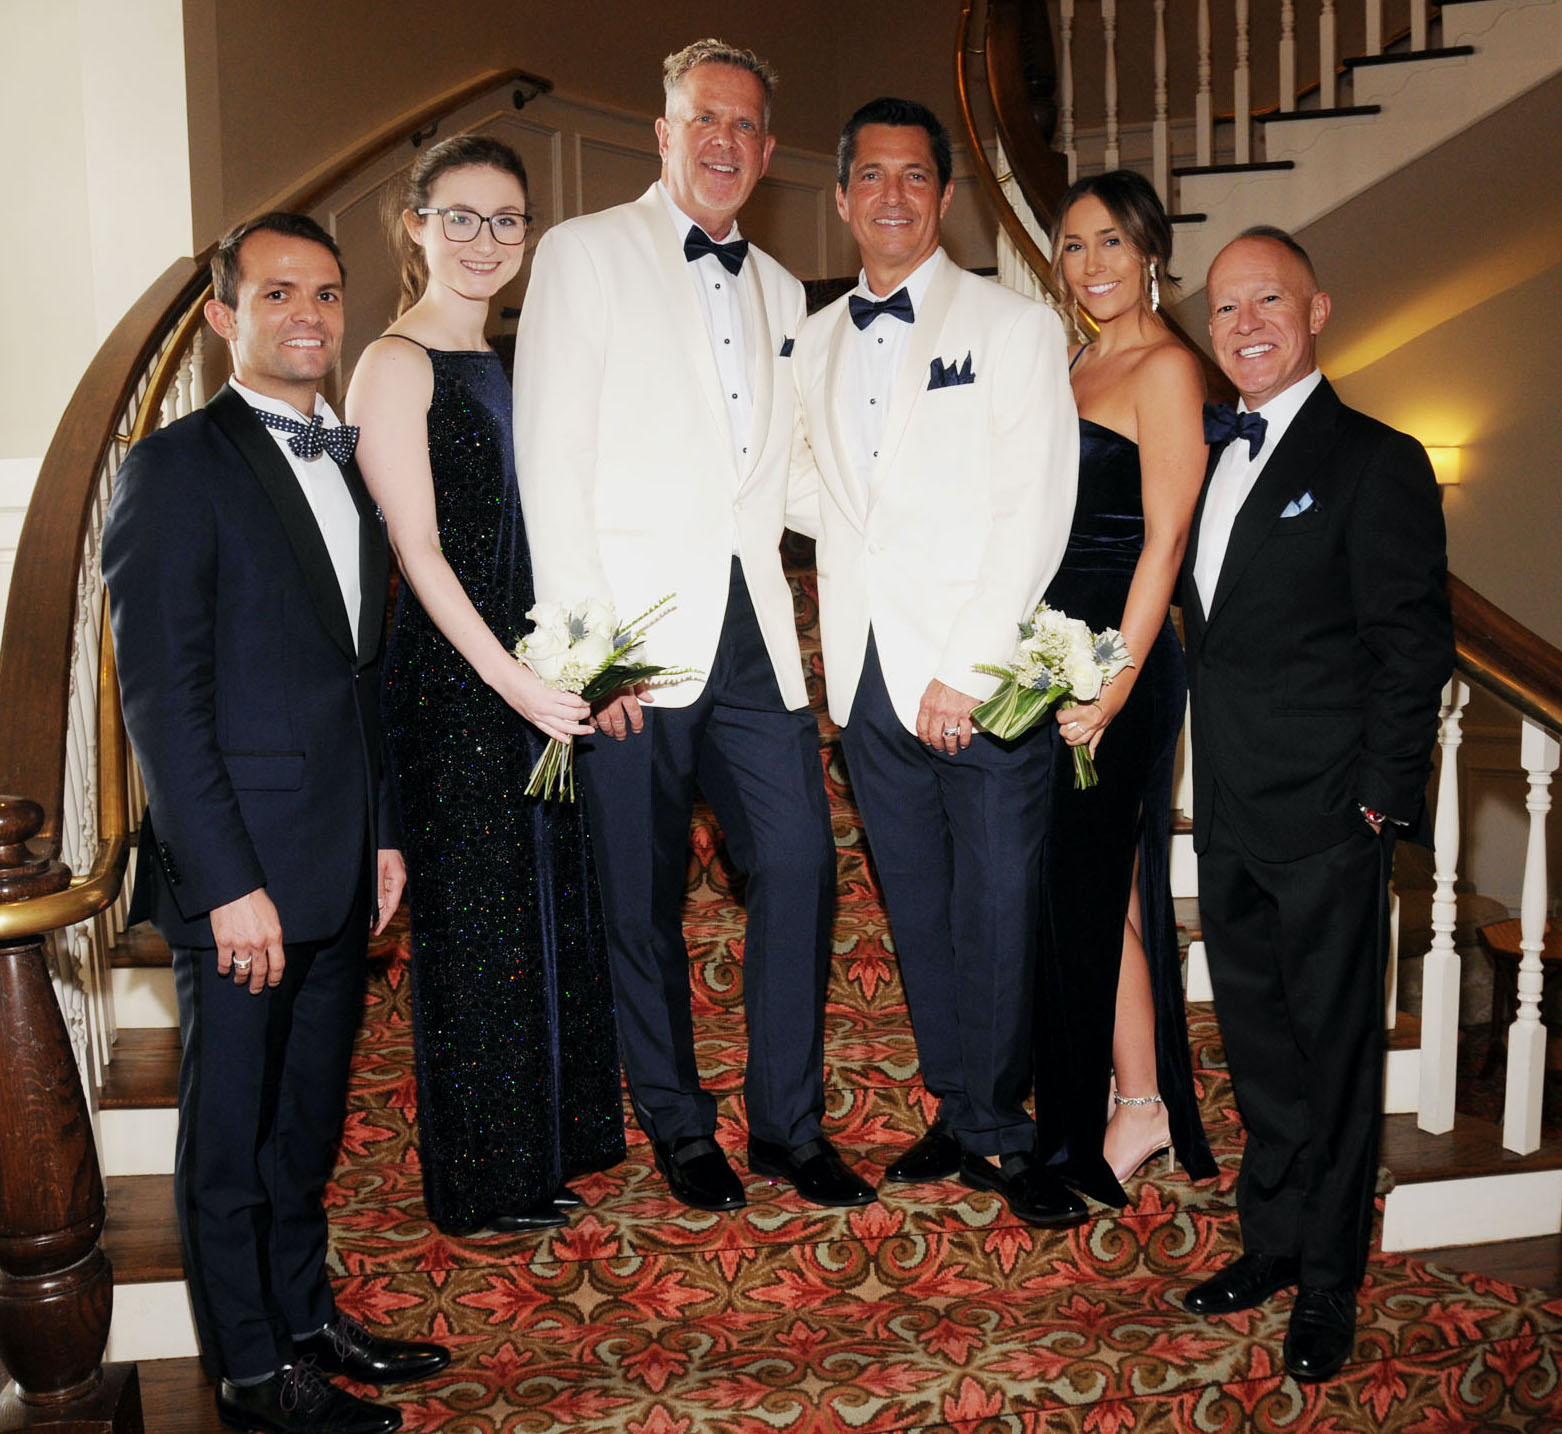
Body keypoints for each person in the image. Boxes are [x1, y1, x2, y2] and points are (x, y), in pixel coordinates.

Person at [103, 213, 449, 1434]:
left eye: (326, 293)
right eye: (278, 293)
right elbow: (162, 700)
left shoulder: (345, 458)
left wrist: (386, 831)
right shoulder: (174, 469)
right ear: (223, 317)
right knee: (230, 1143)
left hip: (338, 859)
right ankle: (251, 1374)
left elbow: (361, 677)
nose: (308, 313)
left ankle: (305, 1321)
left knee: (304, 1128)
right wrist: (227, 881)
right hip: (243, 878)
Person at [513, 40, 868, 1212]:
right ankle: (676, 1124)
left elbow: (782, 480)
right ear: (663, 134)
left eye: (746, 125)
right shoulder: (581, 254)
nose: (723, 139)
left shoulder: (778, 288)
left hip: (757, 626)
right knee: (639, 894)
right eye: (702, 118)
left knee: (802, 864)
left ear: (767, 155)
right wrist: (584, 652)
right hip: (632, 639)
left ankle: (787, 1126)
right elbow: (550, 458)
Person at [789, 98, 1082, 1226]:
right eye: (870, 176)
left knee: (997, 907)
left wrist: (967, 663)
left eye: (915, 176)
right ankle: (956, 1112)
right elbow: (816, 495)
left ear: (945, 196)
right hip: (865, 676)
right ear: (842, 196)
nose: (892, 197)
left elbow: (1035, 507)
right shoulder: (813, 340)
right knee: (916, 913)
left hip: (979, 676)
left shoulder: (1011, 327)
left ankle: (1003, 1131)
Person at [1180, 227, 1452, 1381]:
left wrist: (1379, 811)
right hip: (1231, 816)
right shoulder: (1198, 452)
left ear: (1316, 309)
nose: (1244, 325)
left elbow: (1409, 648)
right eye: (1225, 308)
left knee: (1335, 1066)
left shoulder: (1374, 460)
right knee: (1258, 1056)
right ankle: (1273, 1248)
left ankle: (1327, 1289)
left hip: (1329, 824)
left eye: (1267, 302)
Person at [346, 135, 625, 1238]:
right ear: (413, 224)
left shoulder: (505, 361)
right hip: (457, 684)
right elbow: (416, 551)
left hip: (529, 671)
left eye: (506, 220)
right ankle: (476, 1186)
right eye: (459, 217)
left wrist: (582, 667)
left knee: (535, 910)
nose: (484, 242)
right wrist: (511, 683)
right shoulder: (393, 362)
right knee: (474, 932)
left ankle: (536, 1151)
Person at [1031, 171, 1218, 1206]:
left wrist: (1110, 684)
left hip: (1121, 664)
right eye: (1070, 245)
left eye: (1108, 242)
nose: (1089, 264)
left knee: (1089, 888)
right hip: (1056, 659)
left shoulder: (1164, 369)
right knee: (1095, 893)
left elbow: (1163, 545)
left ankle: (1133, 1106)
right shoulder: (1068, 363)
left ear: (1148, 250)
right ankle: (1136, 1098)